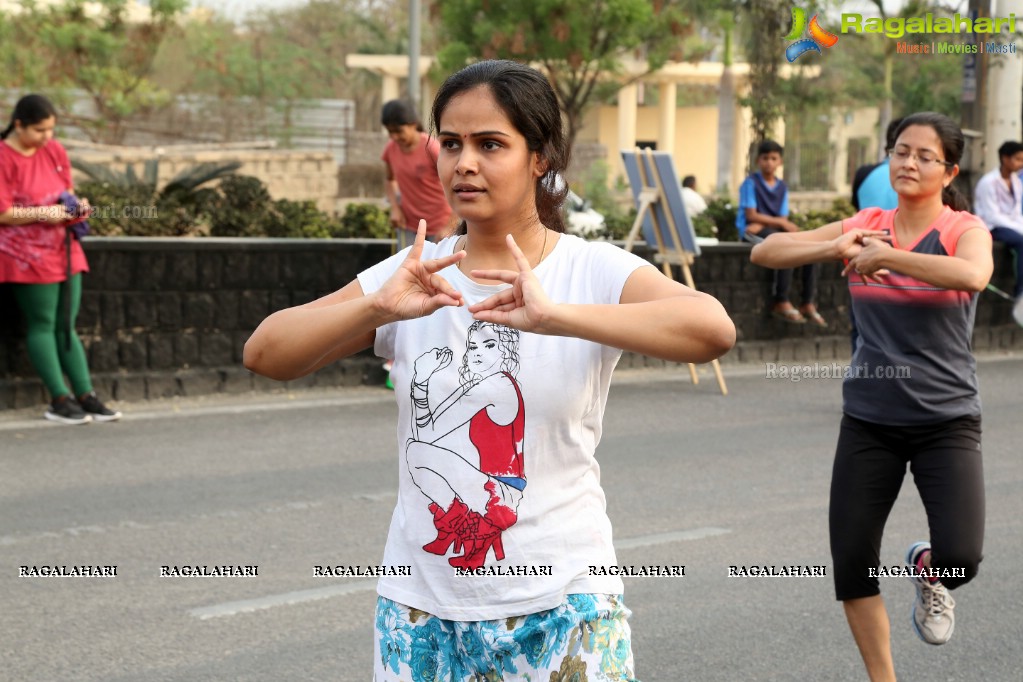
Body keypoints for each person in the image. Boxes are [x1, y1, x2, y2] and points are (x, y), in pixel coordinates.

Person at [245, 59, 735, 680]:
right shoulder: (411, 277)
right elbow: (265, 353)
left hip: (561, 606)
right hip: (421, 612)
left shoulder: (593, 270)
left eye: (490, 144)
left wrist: (559, 317)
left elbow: (712, 328)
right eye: (450, 143)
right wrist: (374, 307)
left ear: (540, 158)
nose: (464, 163)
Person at [750, 112, 990, 682]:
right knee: (853, 563)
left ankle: (930, 571)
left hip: (946, 419)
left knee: (963, 558)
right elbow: (766, 252)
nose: (907, 163)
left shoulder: (963, 228)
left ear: (949, 169)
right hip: (869, 420)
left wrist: (887, 258)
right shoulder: (866, 223)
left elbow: (973, 275)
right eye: (900, 151)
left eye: (924, 156)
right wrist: (838, 242)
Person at [0, 94, 120, 425]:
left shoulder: (54, 151)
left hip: (64, 247)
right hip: (24, 254)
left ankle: (86, 395)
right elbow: (3, 212)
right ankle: (59, 398)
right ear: (19, 124)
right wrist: (42, 212)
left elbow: (64, 190)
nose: (47, 137)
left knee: (66, 323)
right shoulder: (3, 157)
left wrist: (75, 206)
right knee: (43, 323)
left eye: (51, 129)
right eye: (39, 130)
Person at [737, 139, 825, 326]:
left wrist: (771, 223)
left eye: (773, 158)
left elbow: (780, 217)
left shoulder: (782, 187)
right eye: (765, 158)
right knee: (784, 246)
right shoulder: (750, 183)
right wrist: (776, 222)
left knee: (809, 248)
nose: (769, 162)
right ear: (758, 161)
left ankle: (808, 301)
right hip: (751, 232)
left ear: (780, 162)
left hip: (769, 230)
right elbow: (751, 215)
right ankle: (781, 299)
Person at [848, 117, 902, 352]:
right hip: (906, 263)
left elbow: (856, 210)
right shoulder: (923, 178)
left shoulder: (865, 173)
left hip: (864, 259)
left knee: (861, 330)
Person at [381, 99, 456, 251]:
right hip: (409, 225)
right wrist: (395, 208)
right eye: (390, 132)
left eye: (398, 131)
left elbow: (456, 183)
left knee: (436, 271)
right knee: (407, 269)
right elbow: (390, 180)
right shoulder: (391, 149)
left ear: (413, 124)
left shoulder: (431, 148)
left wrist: (450, 225)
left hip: (439, 224)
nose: (394, 137)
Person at [973, 140, 1023, 302]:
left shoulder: (1016, 181)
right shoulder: (988, 182)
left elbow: (1016, 211)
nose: (1021, 164)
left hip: (1011, 225)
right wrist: (1018, 228)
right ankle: (1020, 290)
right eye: (1018, 159)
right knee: (1021, 242)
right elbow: (991, 215)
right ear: (1005, 158)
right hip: (992, 226)